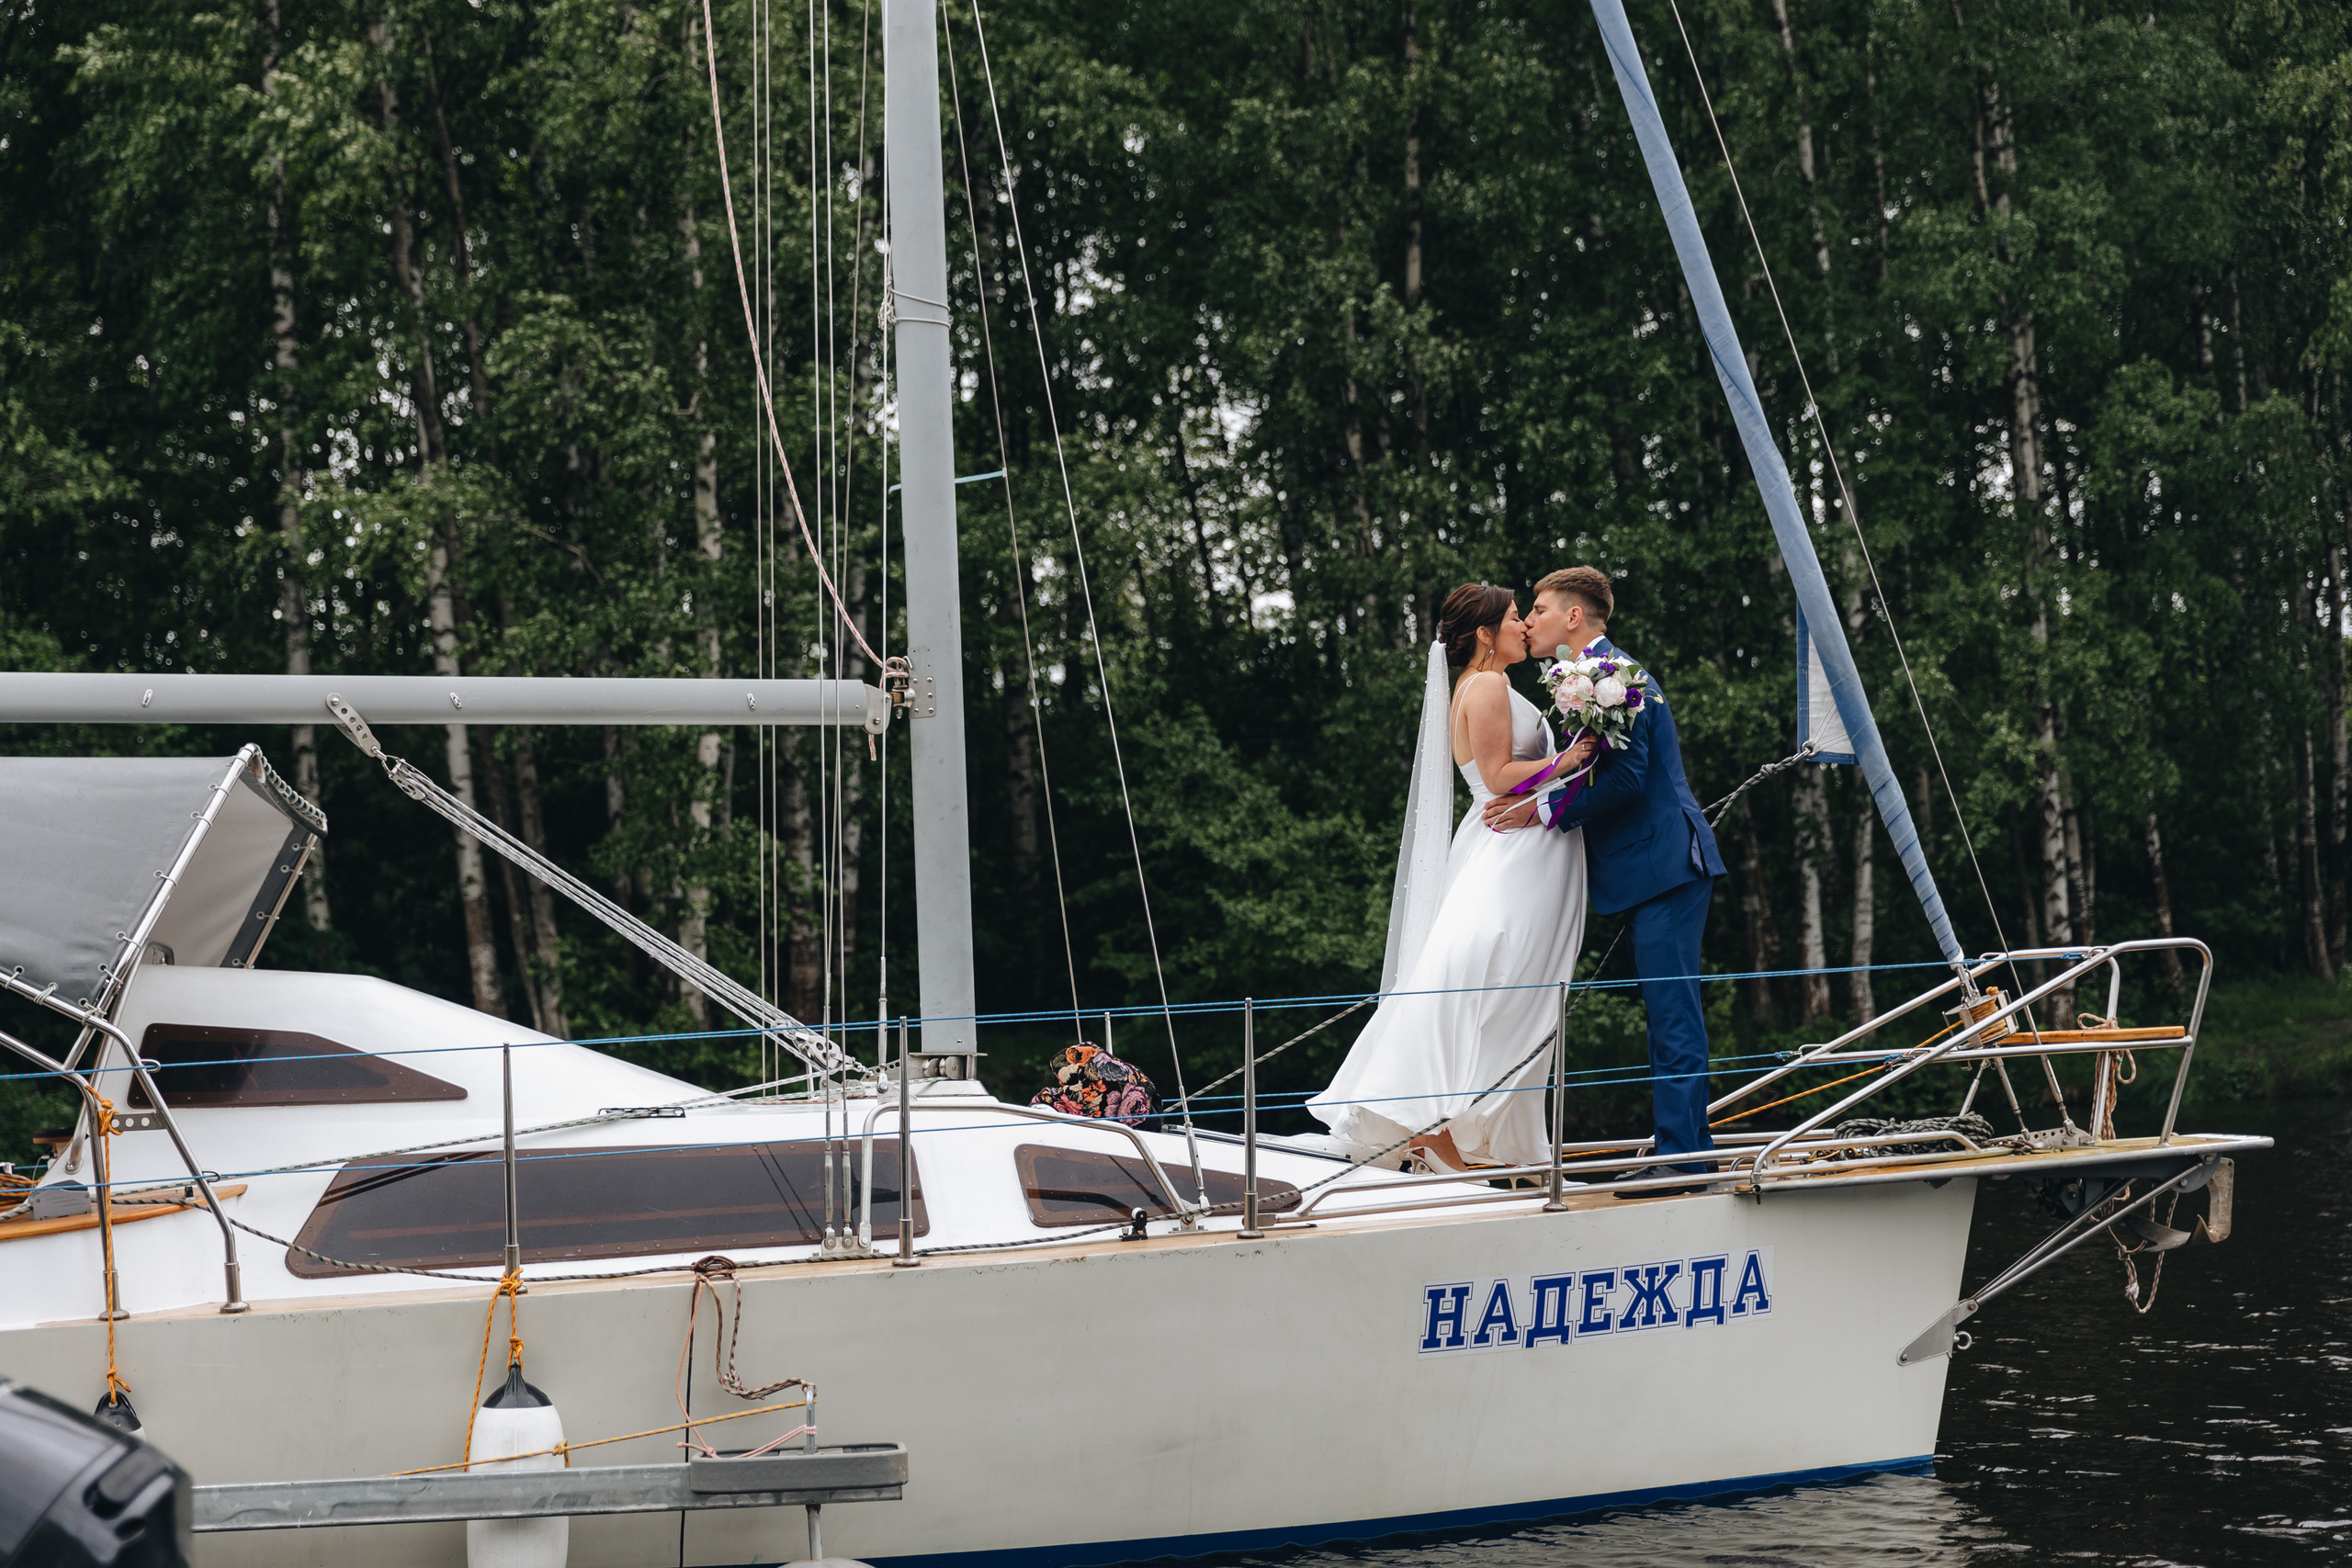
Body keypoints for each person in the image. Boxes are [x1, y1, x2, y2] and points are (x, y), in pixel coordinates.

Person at [1307, 584, 1597, 1171]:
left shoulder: (1485, 684)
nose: (1523, 626)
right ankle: (1427, 1121)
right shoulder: (1487, 684)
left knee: (1506, 985)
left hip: (1518, 848)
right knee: (1479, 972)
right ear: (1486, 634)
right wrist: (1564, 762)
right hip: (1511, 850)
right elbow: (1496, 776)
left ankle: (1460, 1127)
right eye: (1516, 618)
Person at [1487, 567, 1726, 1194]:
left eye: (1538, 608)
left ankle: (1684, 1160)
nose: (1529, 618)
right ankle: (1686, 1152)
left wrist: (1539, 811)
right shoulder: (1586, 676)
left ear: (1574, 618)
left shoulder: (1614, 675)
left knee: (1674, 1016)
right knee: (1667, 1014)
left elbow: (1623, 779)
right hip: (1648, 867)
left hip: (1668, 864)